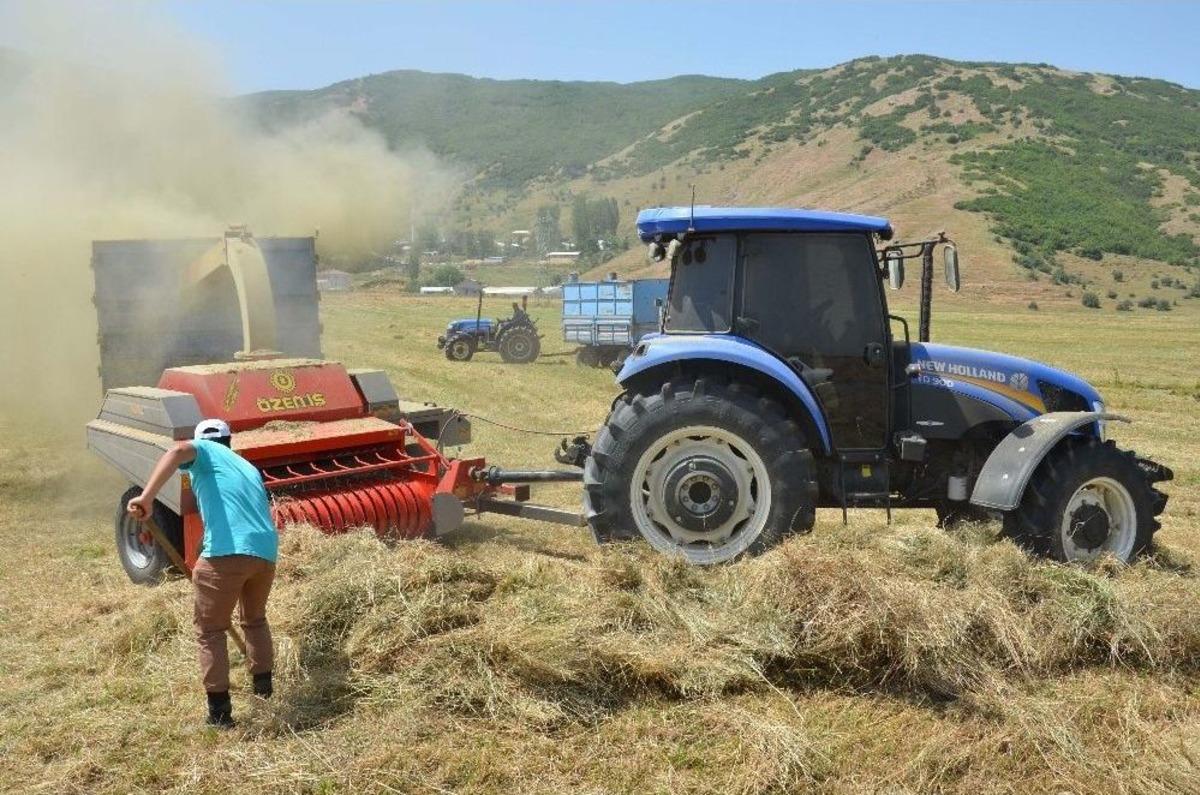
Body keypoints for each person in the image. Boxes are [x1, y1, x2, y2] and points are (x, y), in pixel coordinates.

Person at [127, 418, 279, 728]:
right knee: (255, 619)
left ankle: (220, 715)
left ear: (205, 442)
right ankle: (264, 692)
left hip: (227, 553)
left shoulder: (203, 451)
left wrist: (147, 497)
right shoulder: (245, 466)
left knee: (211, 631)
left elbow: (178, 450)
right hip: (264, 553)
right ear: (230, 441)